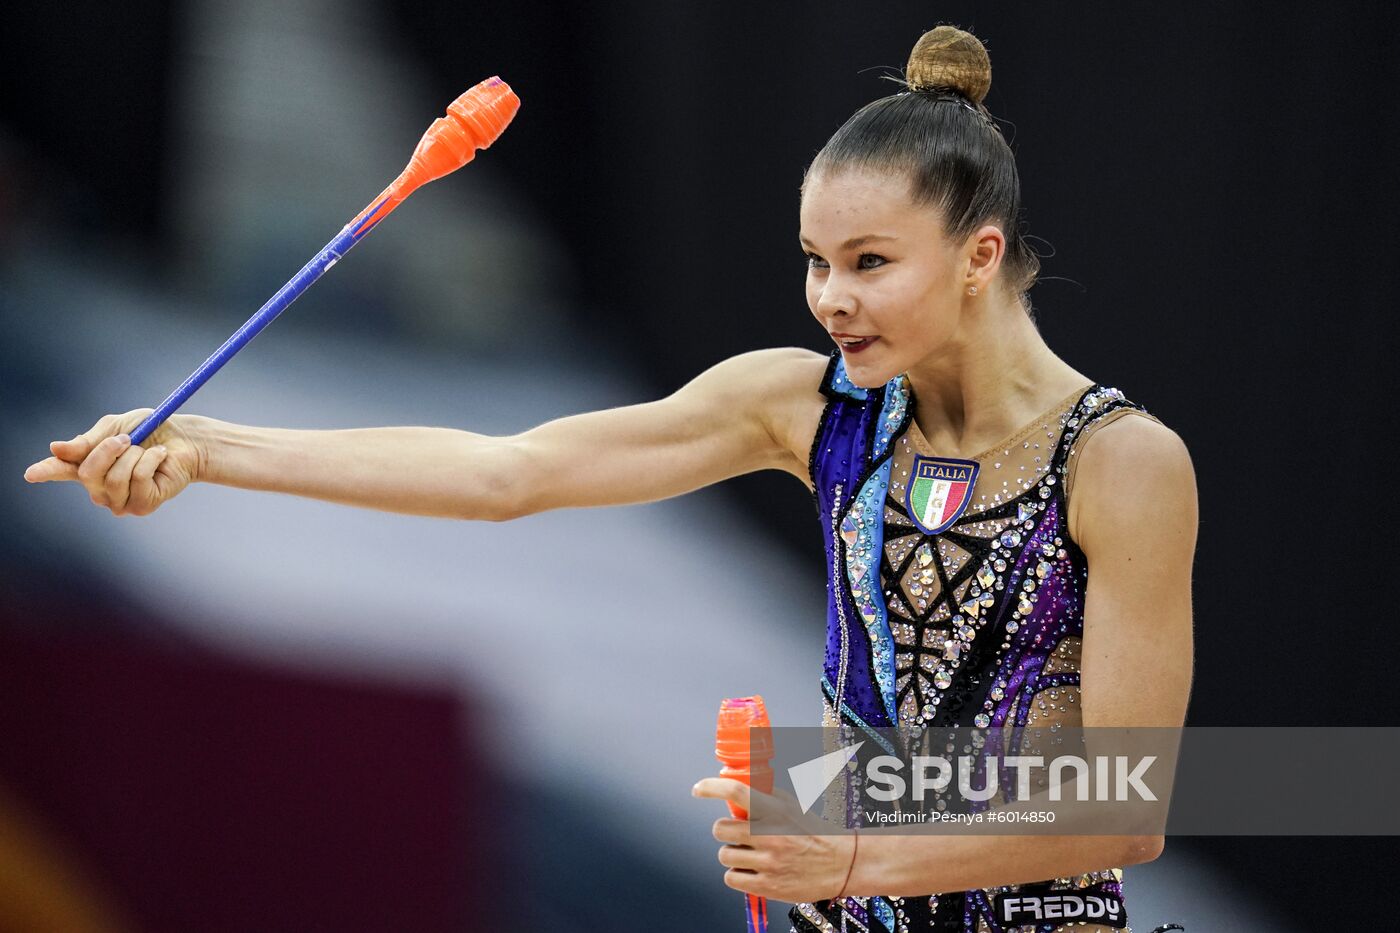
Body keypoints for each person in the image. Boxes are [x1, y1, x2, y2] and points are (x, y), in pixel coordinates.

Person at [25, 24, 1195, 933]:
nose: (828, 298)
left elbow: (1124, 805)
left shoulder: (1118, 464)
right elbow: (508, 472)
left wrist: (847, 835)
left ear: (979, 256)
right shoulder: (805, 406)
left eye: (869, 264)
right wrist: (214, 451)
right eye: (814, 263)